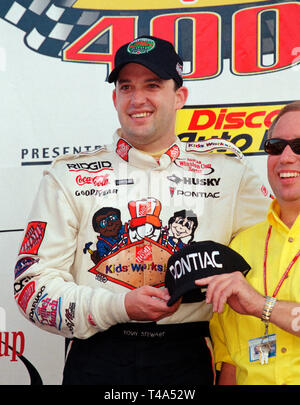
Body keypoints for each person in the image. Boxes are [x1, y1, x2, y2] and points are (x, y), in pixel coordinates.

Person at [13, 35, 270, 385]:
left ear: (180, 97)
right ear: (114, 97)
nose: (138, 99)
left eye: (152, 85)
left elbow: (276, 263)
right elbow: (31, 288)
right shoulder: (69, 175)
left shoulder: (230, 175)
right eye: (126, 86)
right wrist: (120, 307)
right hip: (97, 351)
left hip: (189, 354)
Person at [196, 101, 300, 385]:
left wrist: (259, 305)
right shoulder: (240, 247)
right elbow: (230, 360)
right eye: (276, 146)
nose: (286, 157)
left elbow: (257, 306)